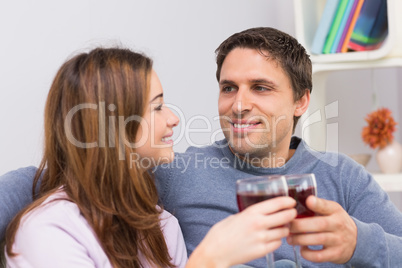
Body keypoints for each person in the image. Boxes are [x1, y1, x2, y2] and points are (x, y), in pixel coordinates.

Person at [1, 27, 402, 267]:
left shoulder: (344, 177)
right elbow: (83, 178)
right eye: (229, 88)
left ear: (301, 101)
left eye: (260, 88)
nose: (239, 103)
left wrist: (358, 242)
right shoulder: (175, 172)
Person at [1, 47, 298, 267]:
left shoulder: (161, 225)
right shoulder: (49, 231)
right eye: (157, 107)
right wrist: (207, 261)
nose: (173, 119)